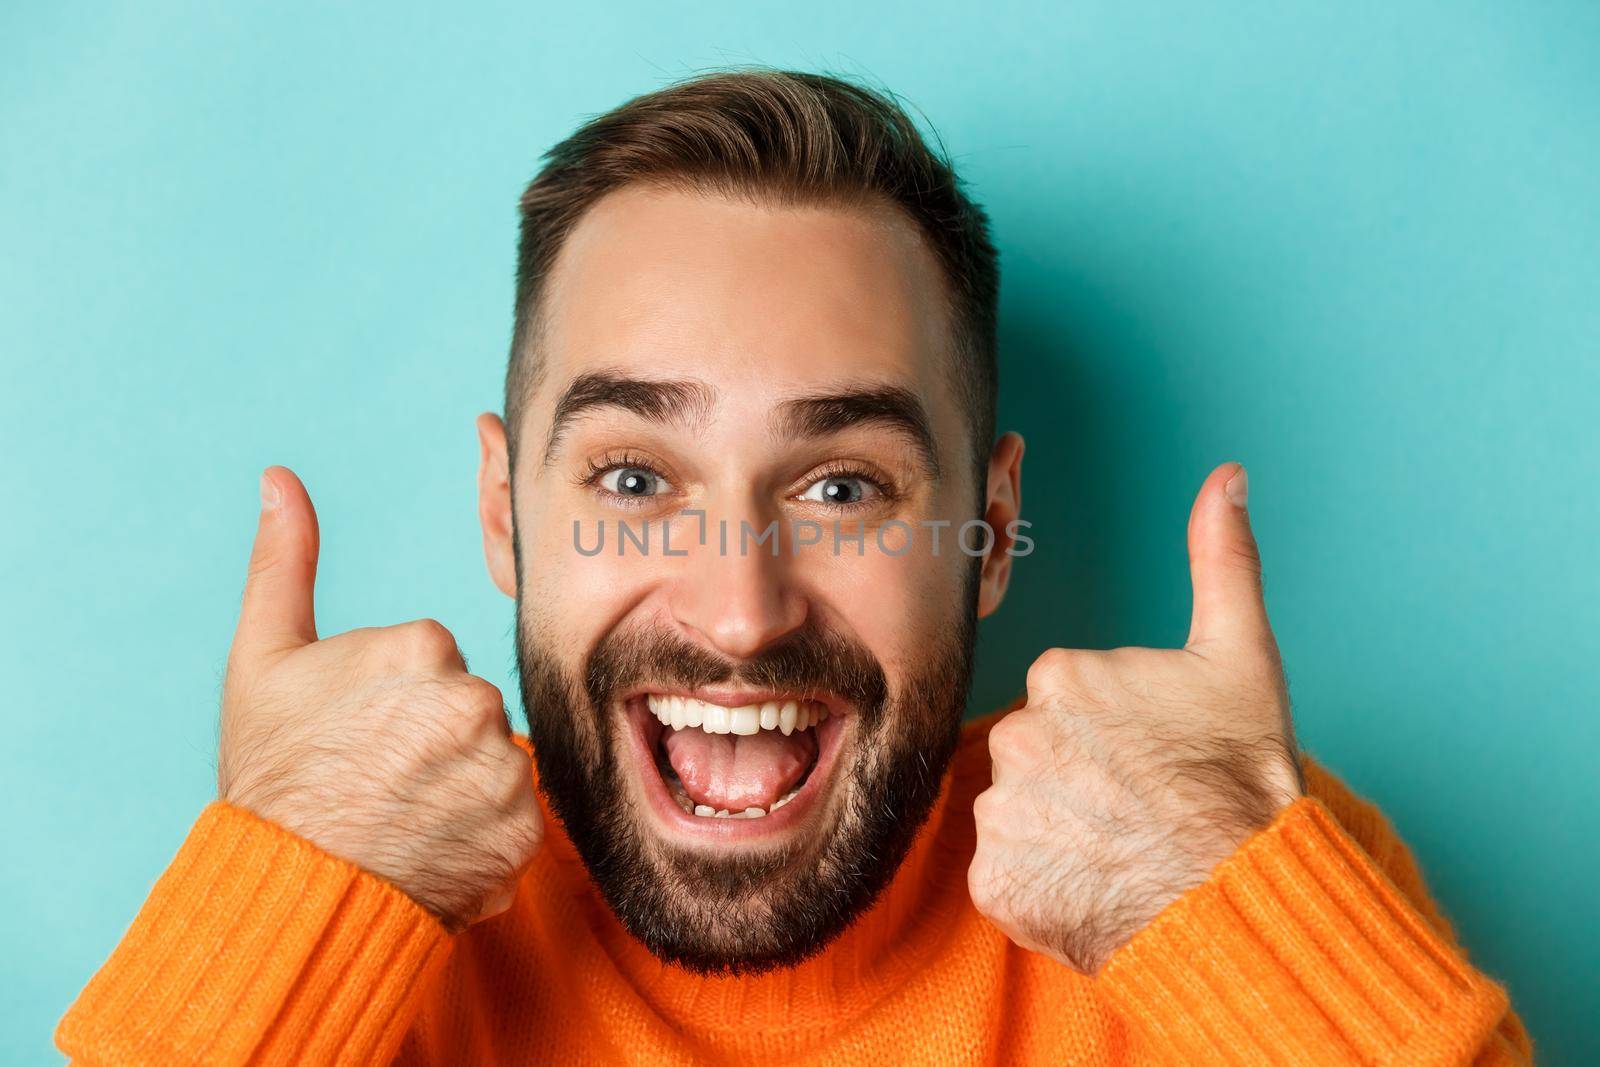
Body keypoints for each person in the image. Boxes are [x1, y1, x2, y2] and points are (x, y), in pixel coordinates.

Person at [57, 67, 1531, 1065]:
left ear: (995, 529)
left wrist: (1225, 920)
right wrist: (290, 907)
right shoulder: (340, 914)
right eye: (634, 478)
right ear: (505, 513)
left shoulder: (1217, 881)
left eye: (843, 486)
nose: (742, 612)